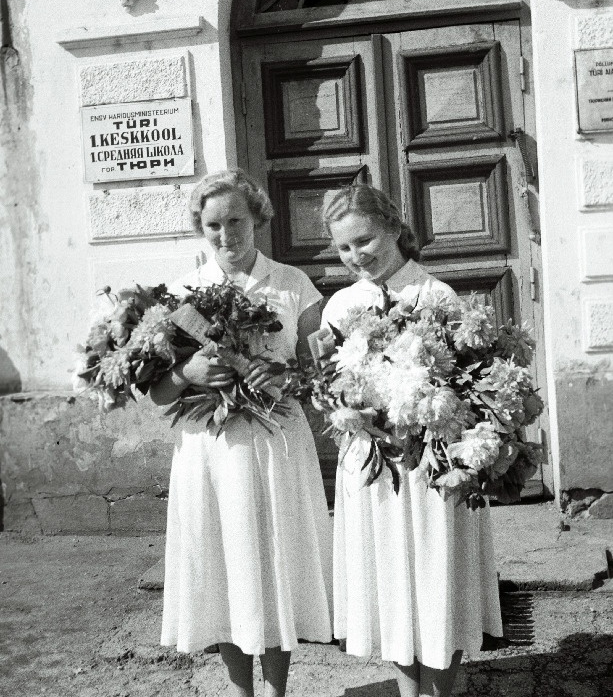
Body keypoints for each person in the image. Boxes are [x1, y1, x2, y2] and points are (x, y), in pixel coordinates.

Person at [152, 171, 332, 697]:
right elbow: (159, 392)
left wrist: (283, 377)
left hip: (276, 443)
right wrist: (187, 374)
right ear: (199, 228)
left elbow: (321, 372)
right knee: (221, 561)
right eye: (213, 225)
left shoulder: (293, 285)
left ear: (257, 217)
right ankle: (239, 690)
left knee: (274, 559)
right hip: (209, 449)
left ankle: (276, 689)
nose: (226, 235)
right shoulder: (182, 295)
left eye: (236, 220)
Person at [320, 184, 502, 697]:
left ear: (396, 229)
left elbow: (465, 382)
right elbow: (327, 389)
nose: (356, 256)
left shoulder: (434, 295)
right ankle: (407, 691)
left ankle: (441, 690)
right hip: (374, 463)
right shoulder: (340, 305)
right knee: (393, 579)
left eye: (365, 240)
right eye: (344, 248)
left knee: (436, 567)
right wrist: (342, 410)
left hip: (430, 461)